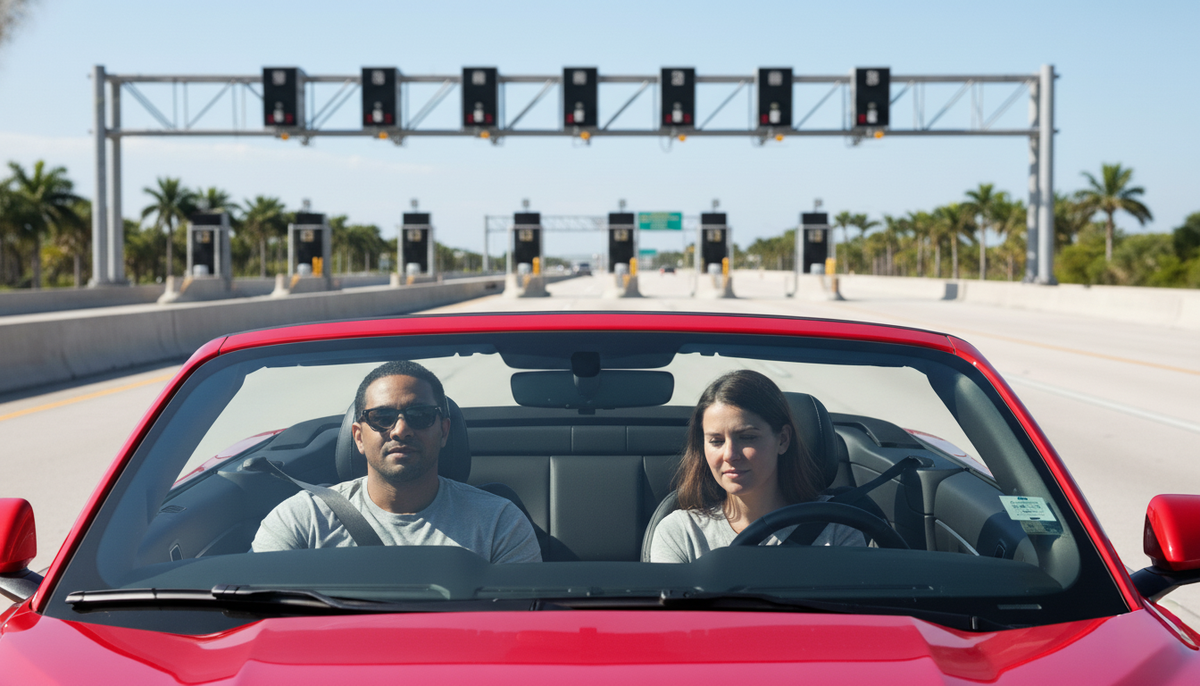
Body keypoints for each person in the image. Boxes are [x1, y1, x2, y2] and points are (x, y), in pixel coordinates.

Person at [252, 360, 541, 563]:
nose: (401, 430)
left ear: (444, 431)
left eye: (420, 416)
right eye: (382, 418)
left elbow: (517, 634)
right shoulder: (302, 519)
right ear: (358, 437)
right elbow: (256, 617)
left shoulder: (499, 523)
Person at [650, 370, 866, 563]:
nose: (730, 455)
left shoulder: (837, 526)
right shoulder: (682, 532)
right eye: (716, 441)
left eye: (747, 437)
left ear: (782, 440)